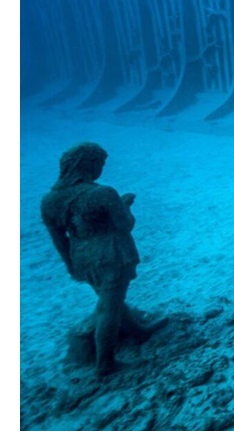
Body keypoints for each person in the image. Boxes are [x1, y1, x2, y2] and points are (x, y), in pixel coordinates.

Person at [40, 142, 163, 377]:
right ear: (90, 164)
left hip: (82, 257)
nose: (101, 169)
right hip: (111, 254)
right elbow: (125, 225)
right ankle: (105, 364)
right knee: (109, 308)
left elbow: (58, 238)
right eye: (101, 164)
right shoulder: (102, 194)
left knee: (112, 300)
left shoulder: (49, 201)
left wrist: (71, 265)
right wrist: (125, 205)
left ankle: (138, 331)